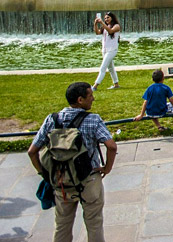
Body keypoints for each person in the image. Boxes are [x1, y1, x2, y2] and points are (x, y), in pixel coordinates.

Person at [28, 82, 118, 242]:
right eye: (90, 96)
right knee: (94, 224)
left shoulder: (52, 120)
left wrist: (44, 174)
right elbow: (111, 146)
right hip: (89, 179)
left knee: (62, 225)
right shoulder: (93, 120)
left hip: (62, 182)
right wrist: (107, 168)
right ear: (80, 100)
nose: (93, 99)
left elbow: (32, 151)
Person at [92, 12, 120, 91]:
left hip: (112, 50)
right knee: (111, 68)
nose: (106, 19)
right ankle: (116, 84)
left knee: (103, 68)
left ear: (112, 18)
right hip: (105, 50)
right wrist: (95, 24)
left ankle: (95, 86)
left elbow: (110, 31)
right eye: (105, 18)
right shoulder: (105, 27)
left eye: (108, 18)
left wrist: (102, 23)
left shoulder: (116, 26)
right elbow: (97, 33)